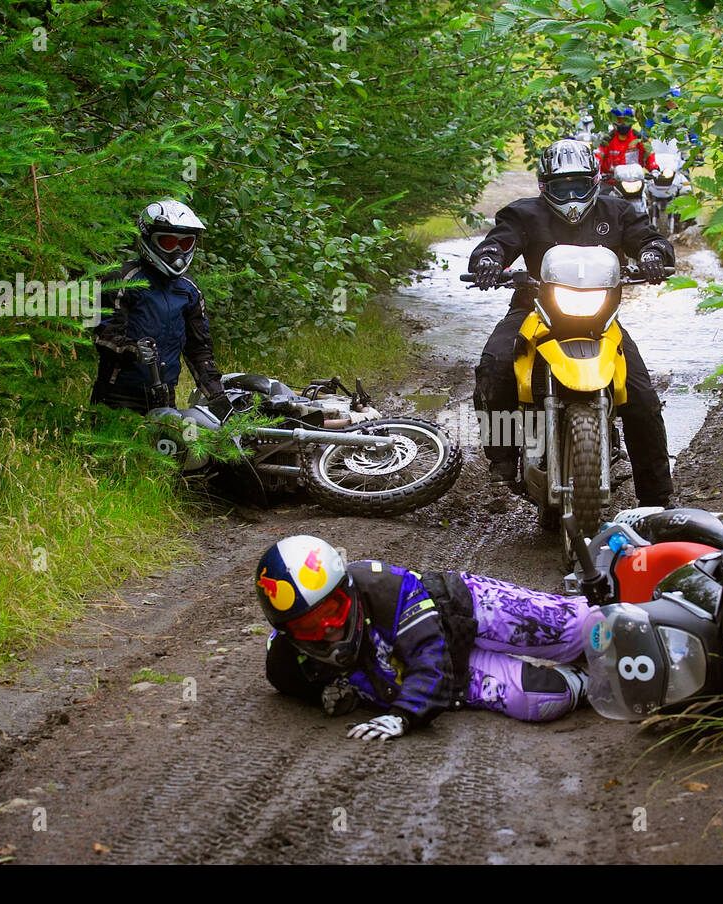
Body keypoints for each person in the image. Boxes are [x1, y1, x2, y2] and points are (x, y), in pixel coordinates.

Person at [468, 139, 675, 508]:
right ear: (545, 187)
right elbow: (497, 243)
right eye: (562, 187)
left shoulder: (618, 211)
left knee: (641, 397)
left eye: (579, 185)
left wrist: (652, 254)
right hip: (533, 309)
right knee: (495, 365)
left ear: (595, 181)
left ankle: (656, 499)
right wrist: (487, 260)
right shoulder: (523, 214)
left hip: (599, 316)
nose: (572, 194)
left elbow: (650, 239)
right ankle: (501, 460)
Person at [257, 535, 593, 741]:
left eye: (334, 610)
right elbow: (303, 686)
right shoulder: (286, 666)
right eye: (309, 627)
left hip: (464, 610)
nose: (328, 628)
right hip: (449, 670)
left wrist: (404, 715)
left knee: (582, 629)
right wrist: (338, 695)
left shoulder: (385, 587)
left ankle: (631, 606)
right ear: (288, 632)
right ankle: (591, 682)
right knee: (539, 699)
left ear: (349, 592)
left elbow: (429, 656)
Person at [90, 199, 231, 419]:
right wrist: (133, 351)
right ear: (149, 239)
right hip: (117, 396)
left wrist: (216, 395)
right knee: (115, 453)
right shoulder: (122, 280)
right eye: (168, 242)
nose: (177, 252)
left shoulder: (189, 290)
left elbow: (199, 349)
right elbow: (103, 338)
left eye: (184, 244)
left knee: (172, 451)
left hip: (165, 396)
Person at [596, 106, 659, 182]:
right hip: (611, 182)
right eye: (620, 120)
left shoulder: (639, 138)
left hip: (636, 181)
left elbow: (649, 154)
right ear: (614, 121)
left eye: (626, 120)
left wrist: (654, 169)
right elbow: (598, 157)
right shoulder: (607, 140)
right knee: (601, 193)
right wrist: (599, 174)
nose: (623, 124)